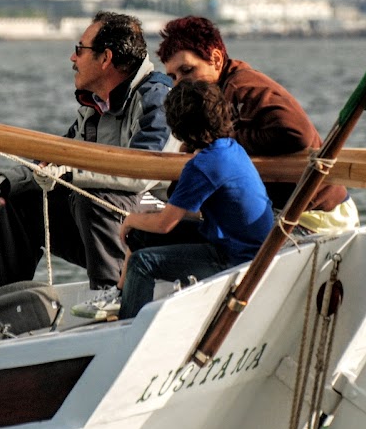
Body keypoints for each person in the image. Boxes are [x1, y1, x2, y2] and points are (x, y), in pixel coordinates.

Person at [0, 11, 178, 291]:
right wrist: (10, 180)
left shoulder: (157, 98)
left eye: (79, 50)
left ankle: (111, 296)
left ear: (105, 58)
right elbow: (58, 157)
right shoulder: (94, 106)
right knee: (22, 201)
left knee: (90, 196)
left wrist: (72, 175)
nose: (73, 58)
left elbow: (144, 173)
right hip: (109, 222)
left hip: (164, 220)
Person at [72, 79, 273, 321]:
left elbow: (165, 224)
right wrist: (140, 224)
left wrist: (131, 219)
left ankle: (128, 323)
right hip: (250, 244)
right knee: (141, 235)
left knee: (141, 262)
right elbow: (186, 211)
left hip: (236, 258)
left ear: (178, 127)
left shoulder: (202, 166)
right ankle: (119, 294)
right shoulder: (229, 147)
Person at [155, 15, 357, 232]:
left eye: (187, 71)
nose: (179, 84)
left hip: (316, 215)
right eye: (173, 77)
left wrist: (223, 142)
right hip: (279, 211)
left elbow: (297, 134)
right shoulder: (210, 98)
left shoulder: (245, 87)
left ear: (215, 59)